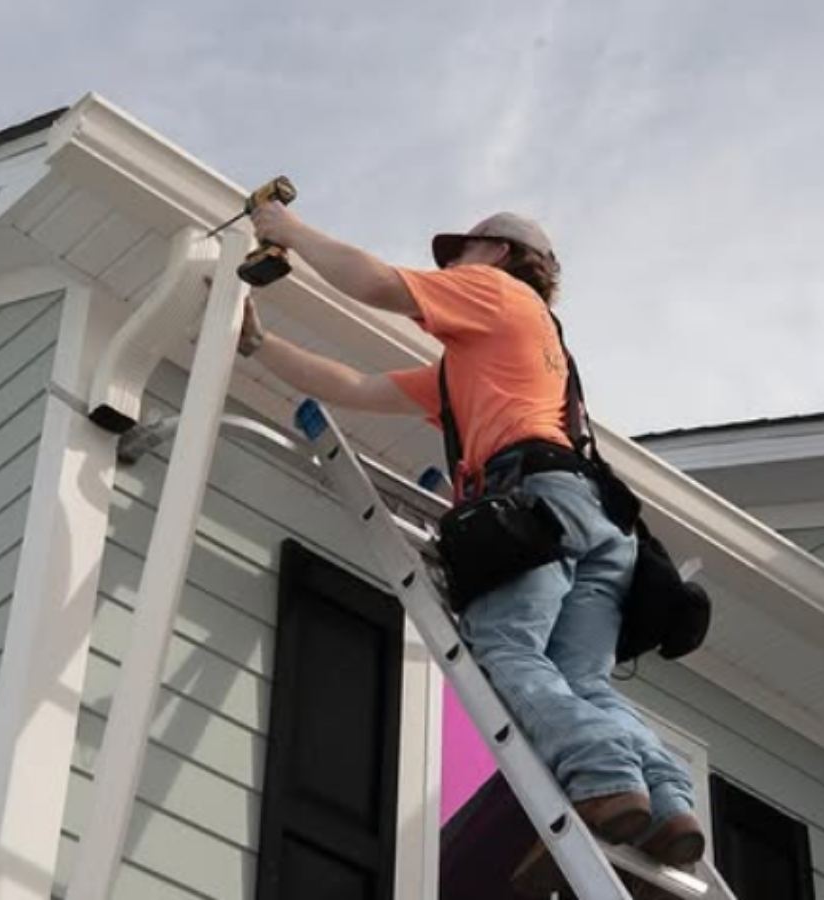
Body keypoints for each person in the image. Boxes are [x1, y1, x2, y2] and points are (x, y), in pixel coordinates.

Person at [240, 202, 705, 880]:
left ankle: (605, 773)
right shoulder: (500, 356)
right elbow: (358, 386)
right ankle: (668, 805)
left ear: (500, 253)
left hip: (539, 504)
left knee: (506, 647)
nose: (453, 264)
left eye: (463, 249)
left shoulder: (495, 293)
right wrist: (259, 345)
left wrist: (287, 230)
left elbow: (376, 284)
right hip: (599, 522)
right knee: (583, 681)